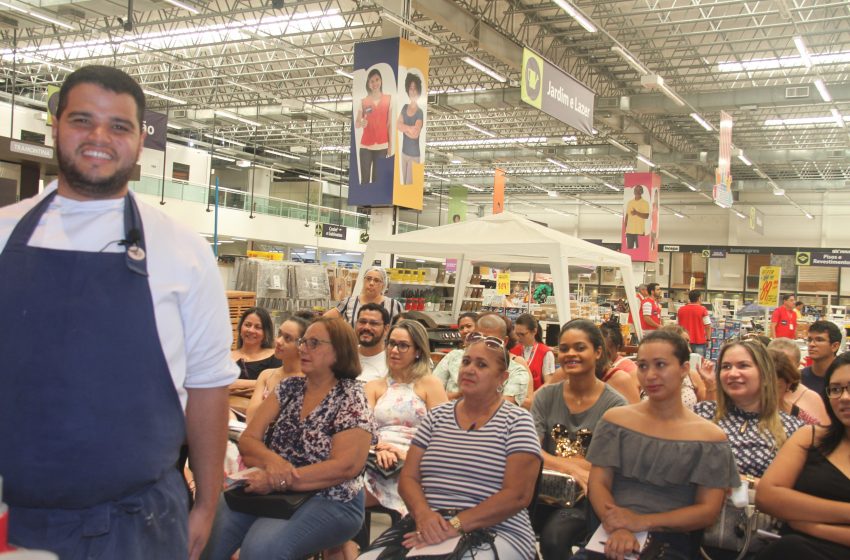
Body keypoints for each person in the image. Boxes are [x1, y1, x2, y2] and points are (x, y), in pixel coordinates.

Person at [0, 65, 237, 559]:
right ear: (56, 125)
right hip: (13, 520)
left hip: (139, 525)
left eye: (119, 126)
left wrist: (208, 503)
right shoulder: (5, 234)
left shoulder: (182, 250)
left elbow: (208, 387)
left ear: (140, 141)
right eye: (82, 120)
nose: (99, 138)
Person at [360, 332, 543, 560]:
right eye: (466, 362)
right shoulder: (436, 417)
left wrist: (454, 525)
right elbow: (408, 478)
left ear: (502, 378)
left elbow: (517, 495)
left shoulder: (517, 421)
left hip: (496, 530)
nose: (469, 369)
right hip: (429, 523)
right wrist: (423, 515)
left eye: (481, 365)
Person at [202, 317, 374, 560]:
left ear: (338, 351)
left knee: (261, 549)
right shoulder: (289, 388)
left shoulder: (352, 397)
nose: (303, 348)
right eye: (304, 342)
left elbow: (346, 466)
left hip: (334, 498)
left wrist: (279, 480)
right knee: (208, 533)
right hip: (276, 490)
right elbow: (249, 439)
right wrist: (274, 464)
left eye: (314, 343)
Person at [574, 330, 739, 560]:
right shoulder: (615, 420)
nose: (650, 375)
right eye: (642, 366)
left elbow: (707, 511)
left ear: (684, 370)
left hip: (670, 541)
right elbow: (598, 483)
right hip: (611, 532)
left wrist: (642, 522)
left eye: (660, 365)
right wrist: (620, 526)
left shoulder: (710, 437)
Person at [531, 319, 627, 559]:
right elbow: (529, 449)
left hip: (587, 497)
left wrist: (551, 460)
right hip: (541, 490)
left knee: (554, 539)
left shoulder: (615, 406)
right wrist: (571, 467)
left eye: (579, 348)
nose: (570, 354)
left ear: (597, 352)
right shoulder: (546, 396)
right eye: (564, 349)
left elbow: (604, 467)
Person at [754, 351, 850, 560]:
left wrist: (809, 525)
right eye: (836, 389)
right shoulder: (810, 436)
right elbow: (768, 496)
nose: (844, 398)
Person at [694, 340, 804, 488]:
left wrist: (740, 481)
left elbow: (790, 488)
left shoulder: (793, 428)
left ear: (765, 373)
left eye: (743, 365)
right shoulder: (700, 414)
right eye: (726, 367)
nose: (732, 373)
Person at [434, 313, 530, 406]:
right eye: (477, 337)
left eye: (491, 340)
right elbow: (432, 392)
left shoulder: (516, 371)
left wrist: (459, 396)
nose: (483, 344)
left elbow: (504, 406)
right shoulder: (454, 357)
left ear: (504, 342)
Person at [245, 315, 309, 423]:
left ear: (301, 345)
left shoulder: (309, 380)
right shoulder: (266, 375)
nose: (278, 341)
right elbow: (251, 417)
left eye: (287, 338)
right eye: (279, 334)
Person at [768, 338, 829, 423]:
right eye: (773, 362)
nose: (779, 369)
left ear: (797, 366)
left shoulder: (811, 399)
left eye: (786, 365)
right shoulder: (752, 394)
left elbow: (822, 431)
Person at [325, 266, 403, 329]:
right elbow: (325, 319)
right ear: (363, 281)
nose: (371, 283)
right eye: (368, 279)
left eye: (376, 280)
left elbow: (404, 328)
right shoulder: (349, 302)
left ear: (383, 284)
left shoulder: (394, 305)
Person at [230, 307, 282, 401]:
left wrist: (234, 384)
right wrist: (260, 384)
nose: (251, 330)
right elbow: (217, 386)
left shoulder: (275, 357)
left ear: (266, 332)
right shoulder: (226, 358)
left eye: (258, 327)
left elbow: (275, 386)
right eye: (247, 325)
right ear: (240, 327)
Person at [355, 68, 392, 184]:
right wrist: (361, 123)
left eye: (377, 80)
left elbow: (389, 124)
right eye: (372, 81)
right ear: (368, 84)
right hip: (366, 145)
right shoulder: (363, 101)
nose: (375, 83)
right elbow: (357, 123)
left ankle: (375, 202)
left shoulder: (388, 99)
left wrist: (390, 145)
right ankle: (364, 202)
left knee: (377, 180)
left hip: (382, 146)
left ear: (381, 80)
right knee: (364, 180)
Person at [512, 313, 556, 390]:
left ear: (534, 331)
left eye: (522, 334)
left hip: (535, 399)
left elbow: (549, 383)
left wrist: (532, 397)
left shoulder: (545, 353)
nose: (518, 338)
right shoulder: (513, 350)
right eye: (516, 334)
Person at [800, 320, 842, 395]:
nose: (812, 344)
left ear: (835, 346)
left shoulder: (845, 379)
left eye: (819, 340)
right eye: (809, 340)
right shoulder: (799, 379)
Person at [397, 72, 424, 185]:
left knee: (409, 186)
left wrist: (404, 128)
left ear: (418, 91)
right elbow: (398, 125)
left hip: (414, 155)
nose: (412, 91)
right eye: (411, 88)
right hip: (403, 153)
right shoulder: (404, 108)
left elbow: (415, 134)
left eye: (415, 88)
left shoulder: (420, 112)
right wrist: (409, 128)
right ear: (408, 90)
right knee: (403, 185)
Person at [355, 302, 391, 383]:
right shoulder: (344, 356)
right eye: (362, 322)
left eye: (373, 323)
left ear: (386, 329)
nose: (366, 327)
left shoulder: (392, 362)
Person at [677, 289, 712, 357]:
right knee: (698, 363)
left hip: (684, 342)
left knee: (684, 362)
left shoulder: (680, 309)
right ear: (699, 298)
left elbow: (677, 326)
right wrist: (708, 339)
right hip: (699, 342)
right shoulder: (703, 309)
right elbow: (708, 326)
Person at [623, 184, 649, 250]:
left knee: (639, 250)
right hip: (629, 231)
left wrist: (636, 213)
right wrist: (625, 229)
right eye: (636, 190)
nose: (637, 191)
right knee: (629, 250)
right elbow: (627, 216)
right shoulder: (630, 202)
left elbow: (646, 216)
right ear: (634, 191)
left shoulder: (645, 203)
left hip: (639, 231)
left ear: (642, 192)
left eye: (639, 190)